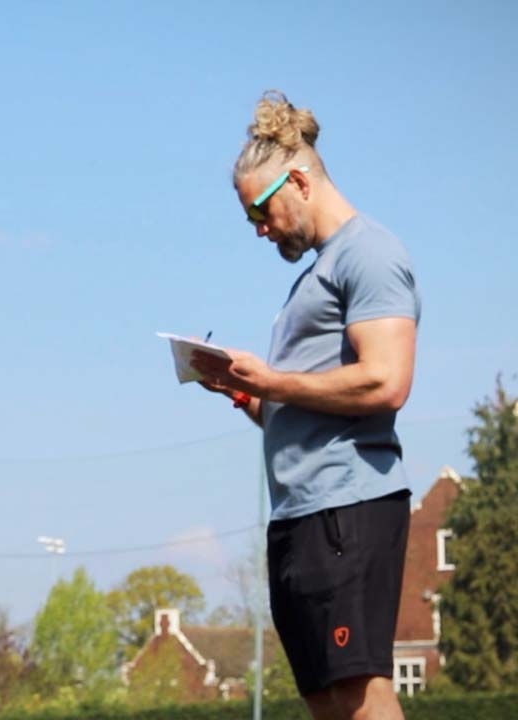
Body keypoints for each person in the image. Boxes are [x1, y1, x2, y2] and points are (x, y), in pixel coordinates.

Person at [191, 91, 420, 720]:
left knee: (359, 694)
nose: (260, 230)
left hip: (349, 506)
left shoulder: (370, 254)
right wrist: (244, 392)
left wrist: (271, 383)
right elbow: (298, 405)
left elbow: (386, 382)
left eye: (260, 213)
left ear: (297, 181)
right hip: (298, 514)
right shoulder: (311, 279)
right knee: (324, 698)